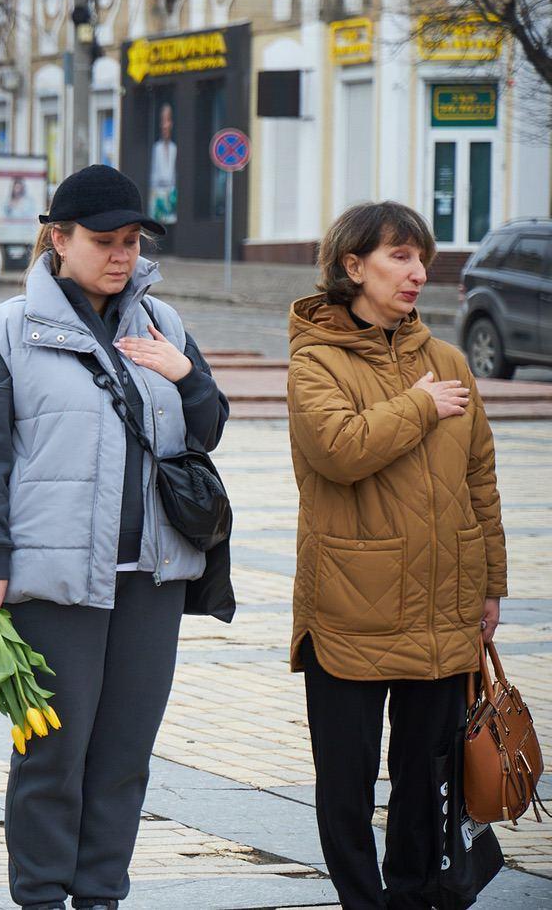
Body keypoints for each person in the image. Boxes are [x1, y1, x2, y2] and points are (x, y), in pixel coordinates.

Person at [0, 164, 230, 910]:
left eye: (132, 241)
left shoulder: (164, 326)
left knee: (124, 756)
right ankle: (40, 896)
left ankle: (100, 896)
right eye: (104, 240)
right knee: (53, 756)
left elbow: (207, 431)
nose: (121, 255)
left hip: (152, 577)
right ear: (58, 239)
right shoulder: (4, 333)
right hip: (54, 581)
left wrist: (189, 378)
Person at [286, 202, 507, 910]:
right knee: (346, 784)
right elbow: (339, 450)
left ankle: (416, 895)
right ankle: (362, 900)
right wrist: (417, 406)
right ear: (352, 266)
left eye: (422, 259)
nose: (418, 273)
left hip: (444, 608)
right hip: (351, 607)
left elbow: (480, 480)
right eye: (400, 257)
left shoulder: (446, 361)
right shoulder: (315, 360)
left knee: (427, 777)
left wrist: (490, 586)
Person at [148, 104, 177, 225]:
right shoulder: (156, 148)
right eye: (163, 121)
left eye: (168, 120)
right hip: (157, 195)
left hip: (172, 195)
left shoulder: (174, 148)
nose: (165, 126)